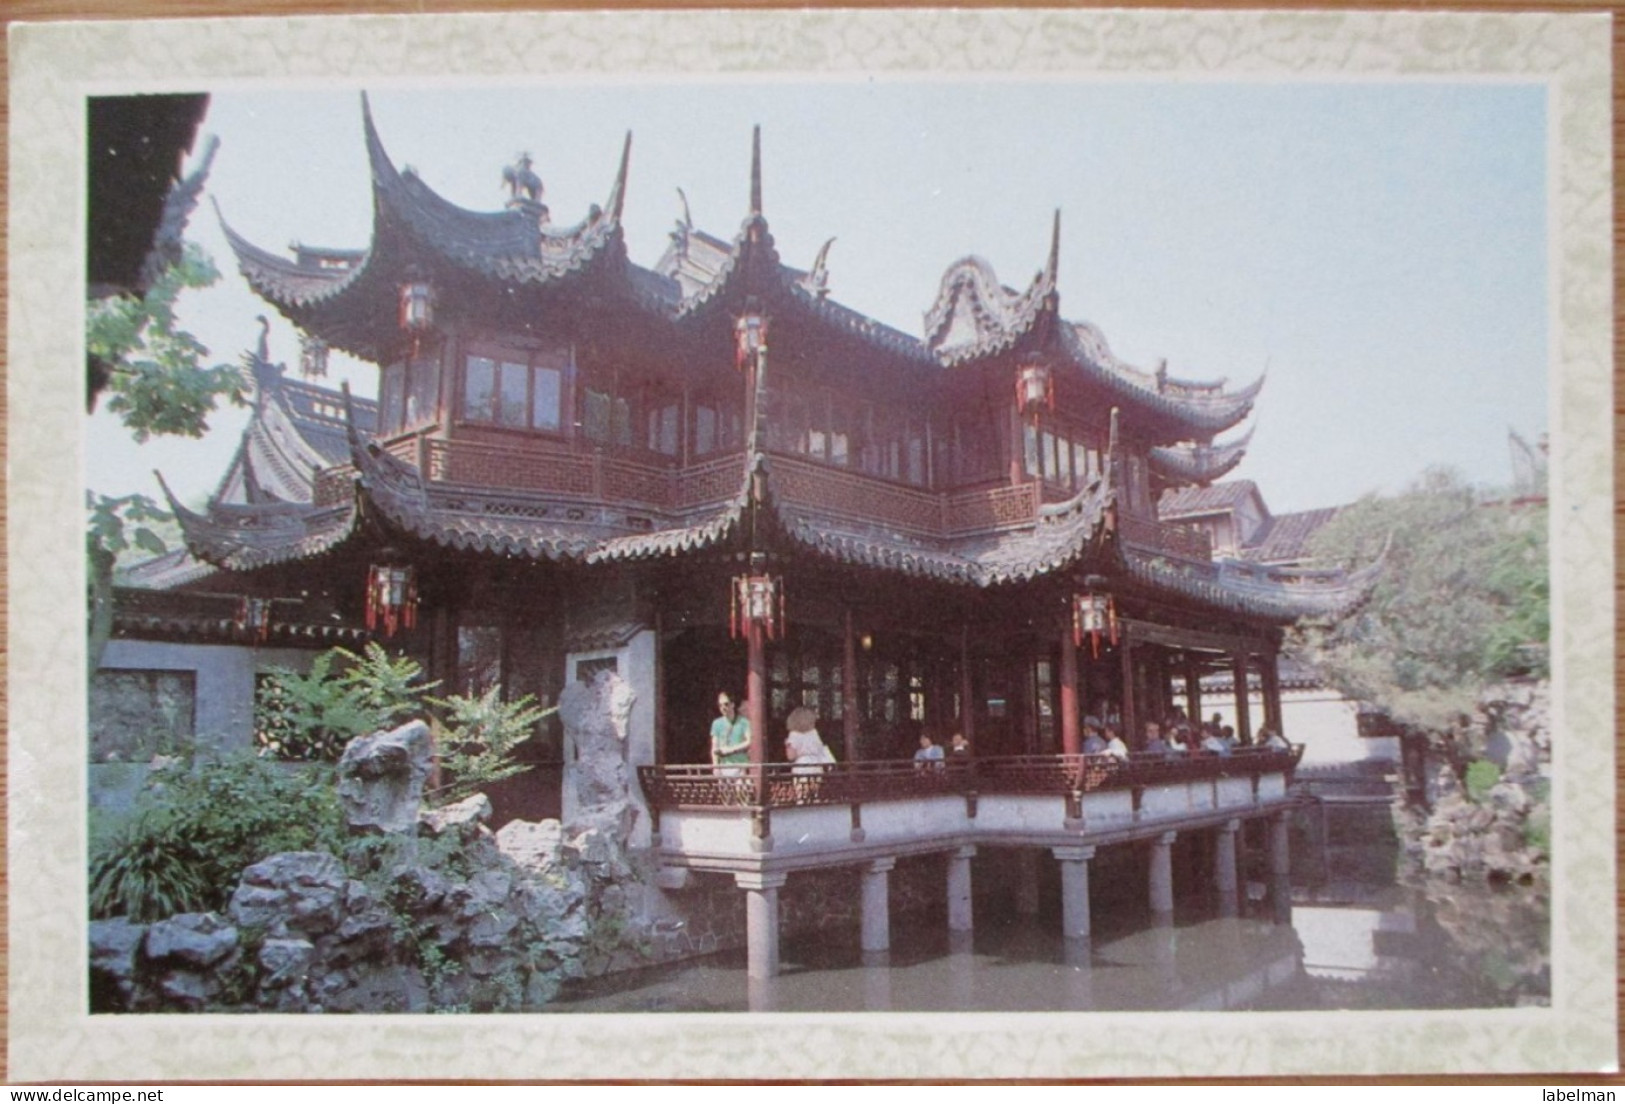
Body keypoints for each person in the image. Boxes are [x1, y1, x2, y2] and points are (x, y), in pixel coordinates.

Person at [784, 706, 835, 773]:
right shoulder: (814, 732)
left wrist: (787, 745)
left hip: (801, 766)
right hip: (816, 765)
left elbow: (791, 756)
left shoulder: (793, 734)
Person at [710, 691, 750, 774]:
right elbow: (714, 746)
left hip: (740, 766)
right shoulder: (716, 723)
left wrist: (731, 750)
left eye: (726, 704)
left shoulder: (744, 722)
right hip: (723, 766)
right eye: (720, 705)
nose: (723, 707)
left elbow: (749, 742)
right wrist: (715, 766)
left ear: (733, 704)